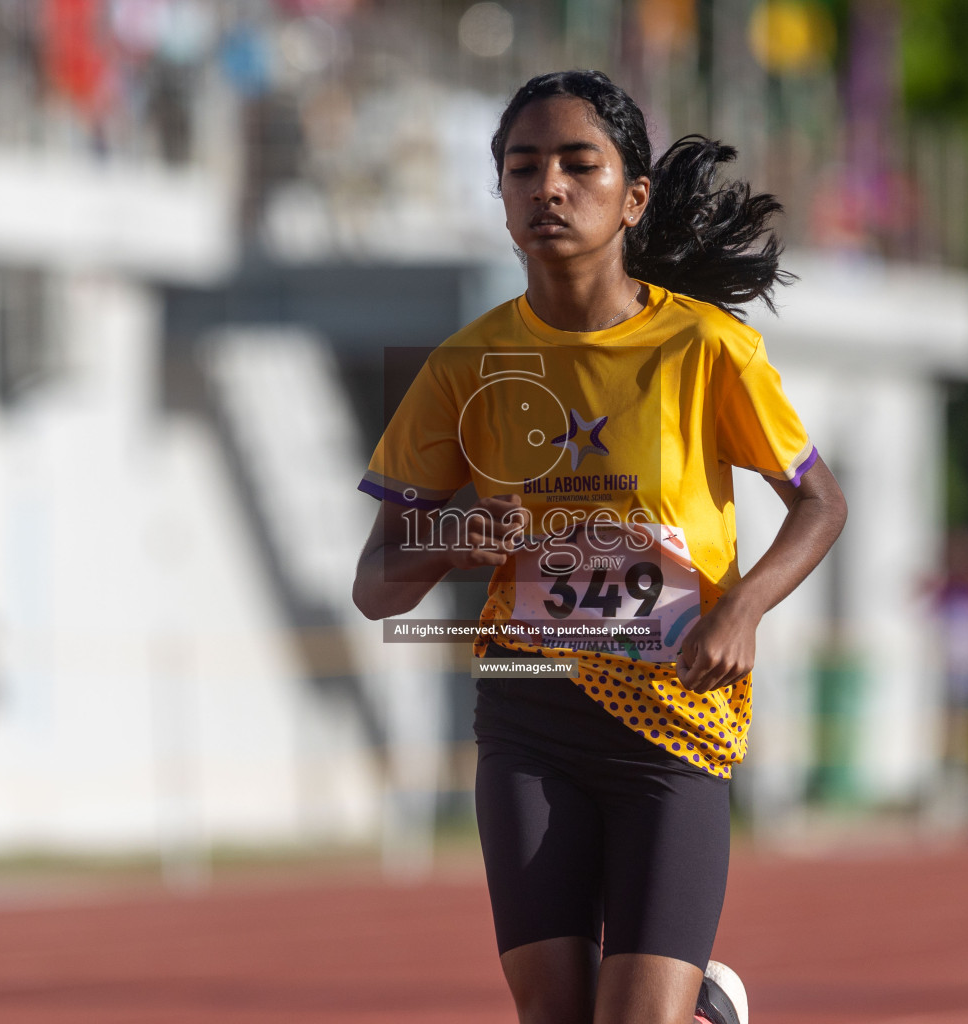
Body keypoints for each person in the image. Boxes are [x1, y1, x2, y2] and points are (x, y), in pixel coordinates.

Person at [352, 70, 846, 1024]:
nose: (550, 187)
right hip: (529, 710)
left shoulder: (704, 349)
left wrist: (741, 608)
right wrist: (450, 535)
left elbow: (819, 503)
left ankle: (695, 1007)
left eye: (580, 165)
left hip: (673, 717)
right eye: (522, 168)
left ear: (634, 197)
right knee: (554, 1014)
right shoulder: (463, 367)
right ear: (499, 198)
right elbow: (375, 585)